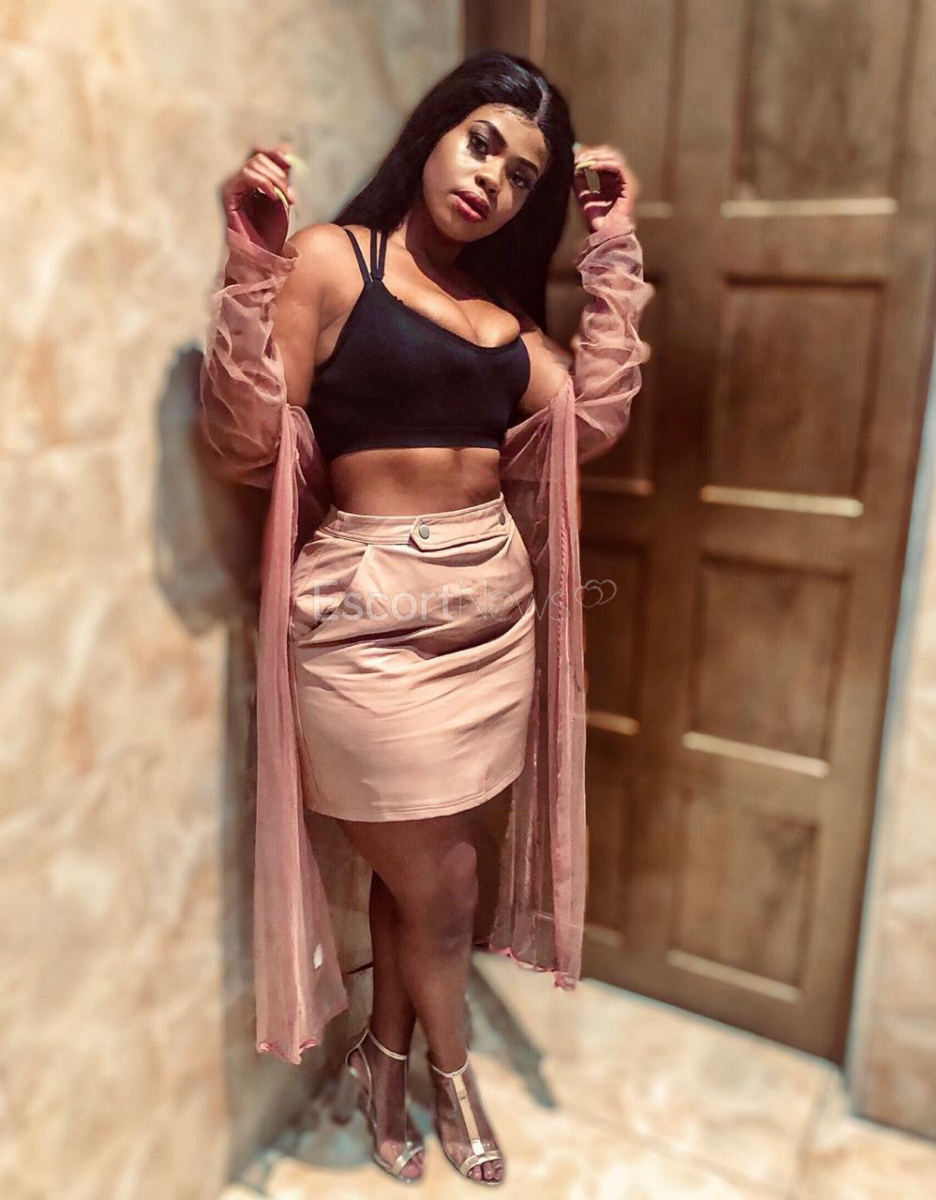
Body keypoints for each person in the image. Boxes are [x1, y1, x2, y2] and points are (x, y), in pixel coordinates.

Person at [198, 50, 653, 1187]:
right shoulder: (333, 262)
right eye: (482, 143)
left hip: (491, 631)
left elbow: (592, 420)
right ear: (435, 135)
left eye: (522, 175)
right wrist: (251, 266)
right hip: (366, 631)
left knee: (422, 874)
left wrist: (611, 253)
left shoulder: (504, 323)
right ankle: (455, 1081)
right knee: (445, 895)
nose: (492, 179)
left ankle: (384, 1061)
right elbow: (248, 443)